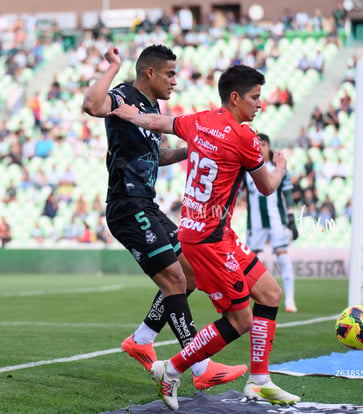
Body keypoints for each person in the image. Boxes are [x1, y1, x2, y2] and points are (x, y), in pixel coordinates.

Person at [110, 64, 300, 410]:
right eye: (255, 97)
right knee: (241, 320)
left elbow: (157, 122)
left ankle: (259, 380)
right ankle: (173, 368)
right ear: (235, 97)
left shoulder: (198, 120)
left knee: (270, 294)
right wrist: (282, 165)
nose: (260, 104)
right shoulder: (246, 138)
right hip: (210, 240)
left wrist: (126, 113)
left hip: (211, 232)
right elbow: (268, 186)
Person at [82, 45, 245, 391]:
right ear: (150, 73)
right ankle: (199, 365)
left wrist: (194, 148)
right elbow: (92, 105)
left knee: (191, 273)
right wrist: (114, 67)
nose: (175, 81)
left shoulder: (153, 109)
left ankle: (141, 339)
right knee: (173, 280)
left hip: (147, 204)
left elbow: (157, 155)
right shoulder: (123, 95)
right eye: (170, 74)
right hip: (127, 206)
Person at [244, 133, 299, 313]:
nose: (260, 147)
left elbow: (288, 194)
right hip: (255, 223)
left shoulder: (278, 168)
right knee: (251, 260)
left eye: (264, 144)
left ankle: (290, 300)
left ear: (269, 146)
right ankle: (248, 298)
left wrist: (291, 219)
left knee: (283, 256)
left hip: (276, 220)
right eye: (257, 143)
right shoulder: (246, 168)